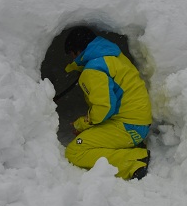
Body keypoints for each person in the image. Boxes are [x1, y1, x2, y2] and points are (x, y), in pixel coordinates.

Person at [63, 26, 152, 180]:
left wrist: (81, 124)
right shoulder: (113, 57)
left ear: (77, 50)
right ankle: (130, 147)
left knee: (75, 150)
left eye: (71, 54)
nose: (72, 59)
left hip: (128, 127)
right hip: (138, 125)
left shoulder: (94, 69)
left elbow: (104, 108)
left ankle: (135, 161)